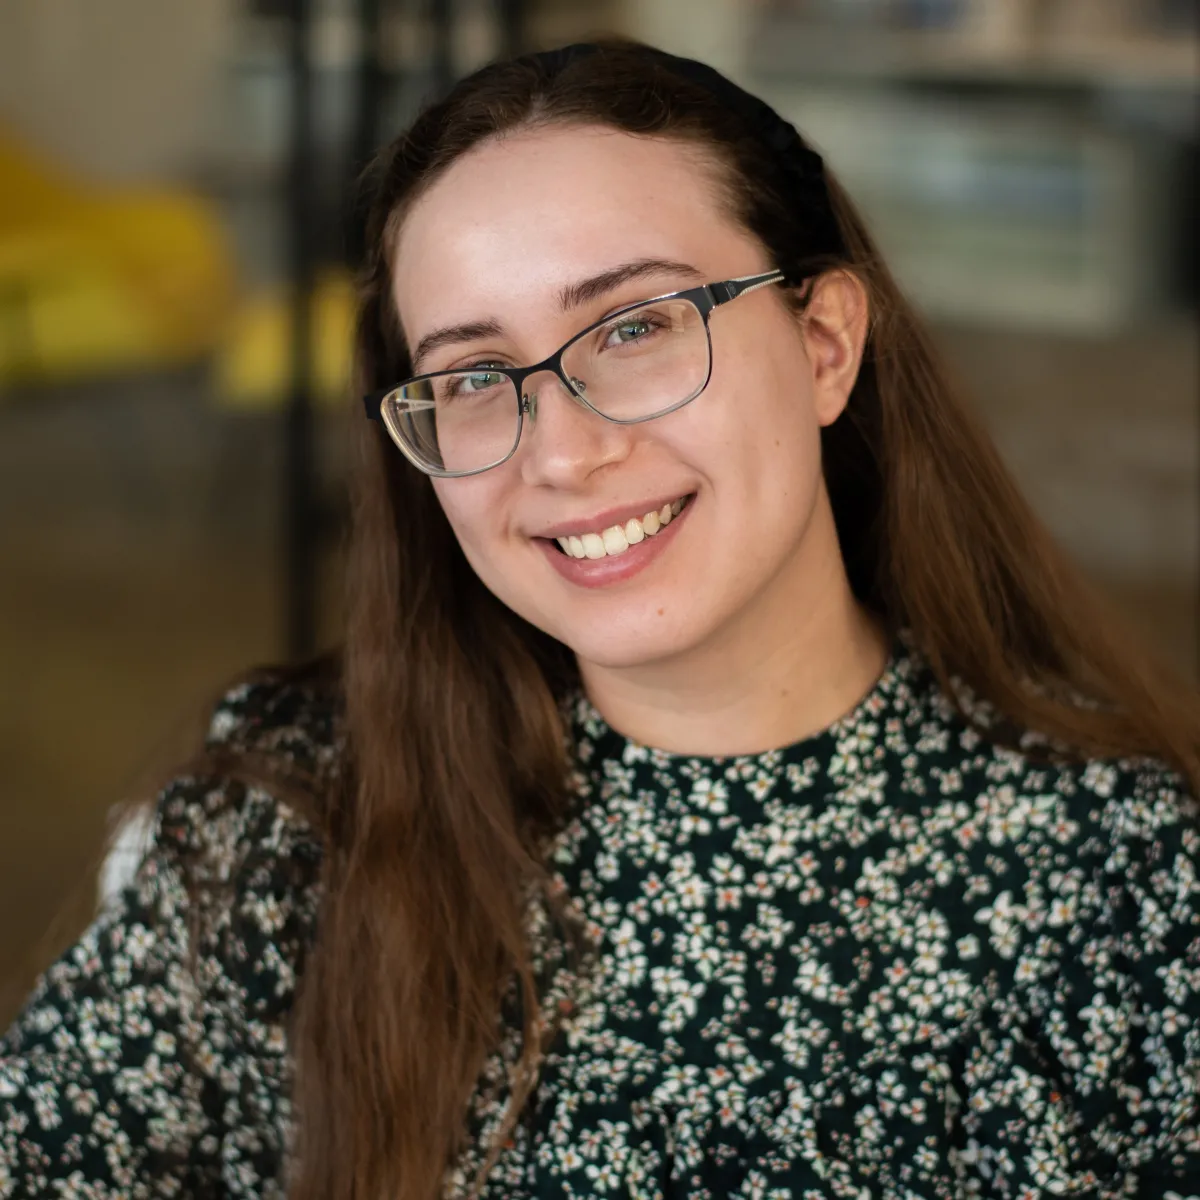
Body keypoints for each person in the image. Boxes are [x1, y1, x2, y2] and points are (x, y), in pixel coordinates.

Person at [2, 37, 1197, 1200]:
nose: (564, 453)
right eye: (475, 378)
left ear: (825, 344)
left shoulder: (1131, 884)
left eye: (634, 328)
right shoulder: (295, 816)